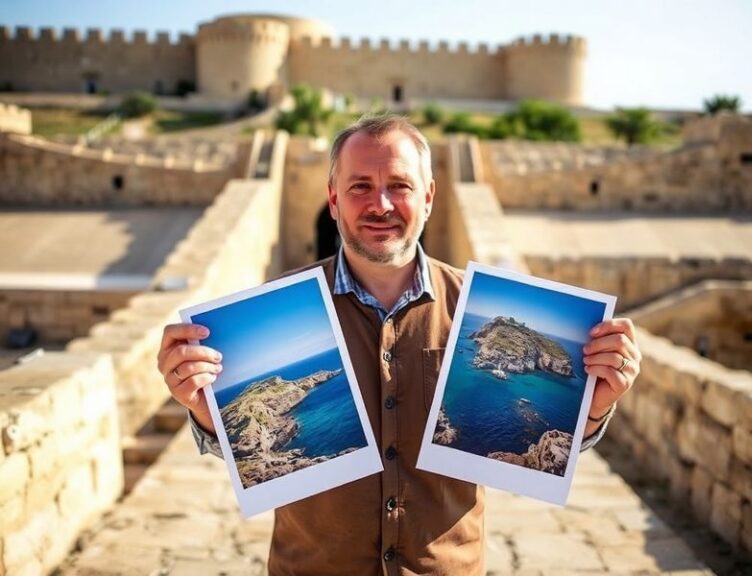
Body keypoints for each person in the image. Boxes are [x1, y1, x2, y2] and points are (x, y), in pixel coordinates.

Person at [157, 115, 642, 575]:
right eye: (360, 186)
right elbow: (249, 460)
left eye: (399, 186)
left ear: (428, 197)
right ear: (333, 199)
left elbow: (548, 451)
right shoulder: (280, 303)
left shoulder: (473, 309)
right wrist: (205, 413)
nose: (381, 204)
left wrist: (593, 411)